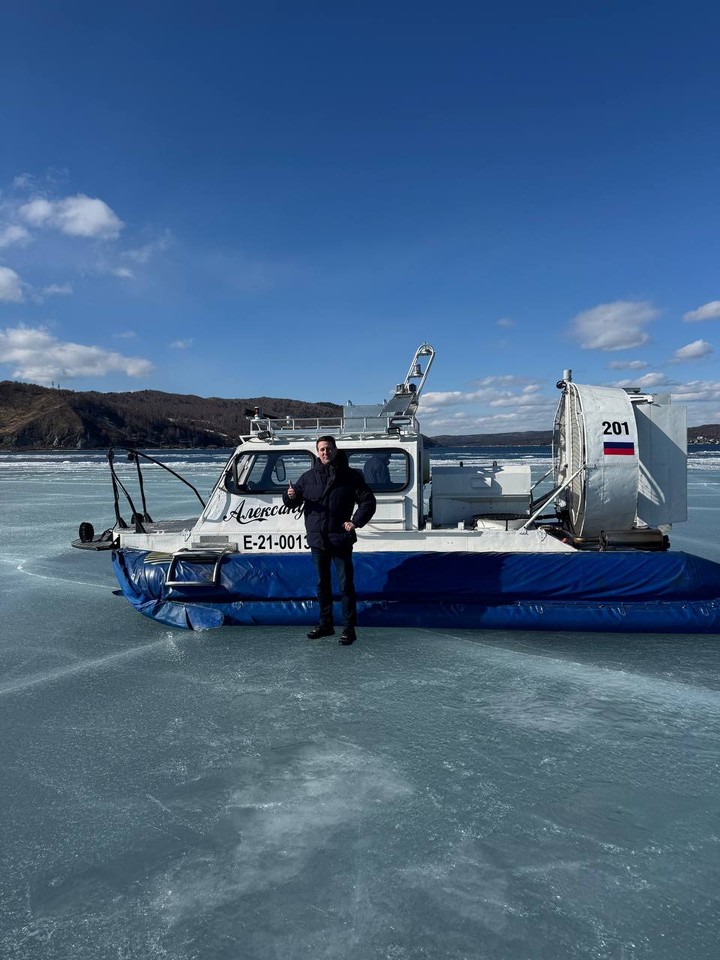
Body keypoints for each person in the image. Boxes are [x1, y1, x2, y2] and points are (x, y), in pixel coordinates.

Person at [283, 435, 376, 645]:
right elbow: (294, 499)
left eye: (329, 449)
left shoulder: (351, 476)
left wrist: (355, 522)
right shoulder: (308, 477)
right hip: (318, 539)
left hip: (340, 539)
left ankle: (349, 628)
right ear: (318, 452)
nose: (326, 452)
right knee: (321, 584)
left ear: (336, 450)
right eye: (322, 449)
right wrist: (289, 495)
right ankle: (325, 625)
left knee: (345, 585)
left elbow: (368, 501)